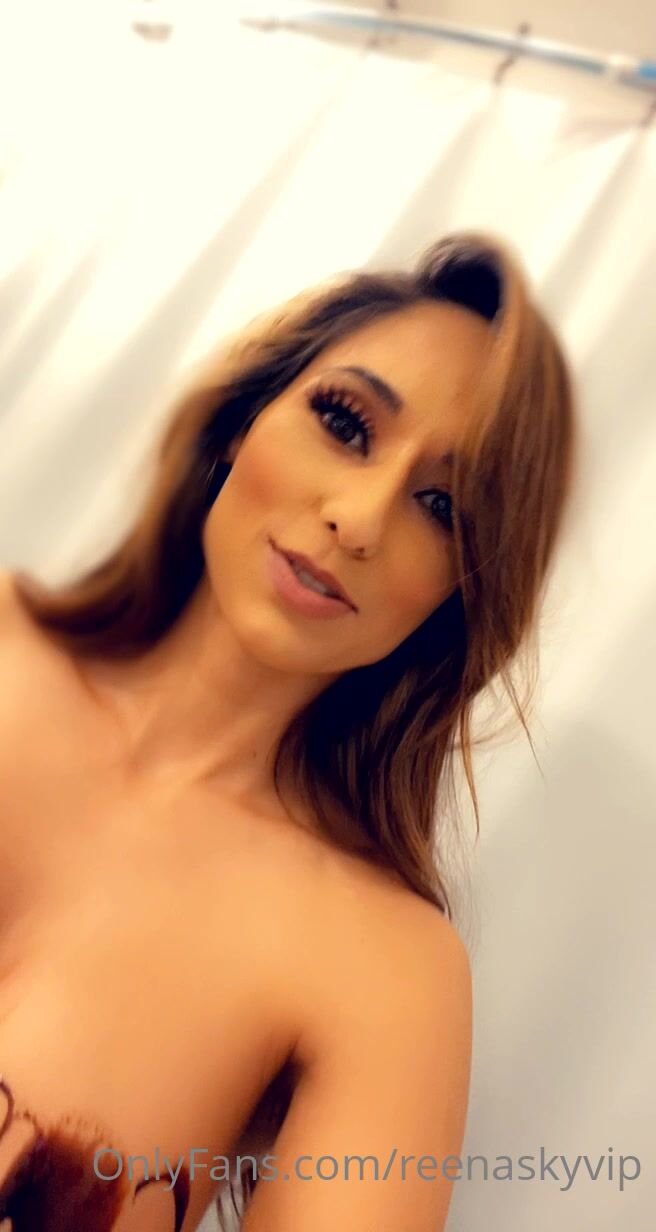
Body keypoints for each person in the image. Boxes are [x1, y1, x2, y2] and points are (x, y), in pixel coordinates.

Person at [0, 231, 576, 1231]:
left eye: (441, 505)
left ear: (463, 590)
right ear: (242, 418)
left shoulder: (385, 972)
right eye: (344, 423)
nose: (359, 516)